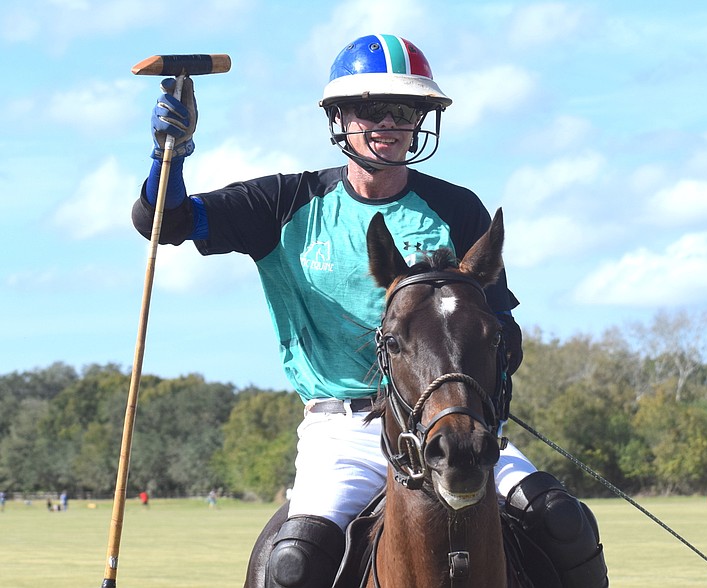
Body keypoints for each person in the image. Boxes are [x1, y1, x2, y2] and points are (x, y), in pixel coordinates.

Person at [133, 34, 607, 588]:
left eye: (406, 110)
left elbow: (501, 331)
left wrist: (475, 406)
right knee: (294, 562)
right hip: (345, 430)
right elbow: (164, 222)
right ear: (339, 118)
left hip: (449, 415)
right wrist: (169, 155)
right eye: (371, 108)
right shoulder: (286, 204)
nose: (390, 122)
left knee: (562, 521)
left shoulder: (457, 208)